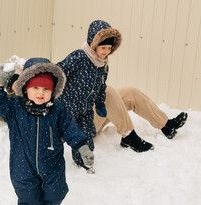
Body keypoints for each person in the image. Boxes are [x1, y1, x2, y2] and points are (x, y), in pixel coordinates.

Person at [56, 20, 187, 170]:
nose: (106, 51)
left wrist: (99, 103)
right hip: (80, 123)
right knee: (109, 92)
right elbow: (56, 73)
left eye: (109, 48)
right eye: (103, 47)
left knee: (129, 92)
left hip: (95, 112)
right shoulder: (78, 57)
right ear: (94, 43)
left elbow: (100, 89)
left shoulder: (102, 64)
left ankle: (166, 125)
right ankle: (129, 135)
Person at [0, 57, 93, 205]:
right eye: (35, 88)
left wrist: (82, 145)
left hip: (51, 163)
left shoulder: (58, 109)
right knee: (27, 194)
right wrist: (0, 83)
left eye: (46, 89)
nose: (40, 93)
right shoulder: (15, 107)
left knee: (56, 193)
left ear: (53, 91)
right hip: (22, 163)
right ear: (25, 88)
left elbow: (69, 128)